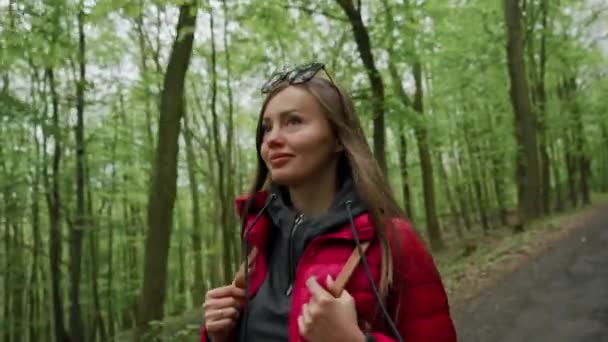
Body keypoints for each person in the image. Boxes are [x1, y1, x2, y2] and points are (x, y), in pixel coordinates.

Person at [200, 62, 457, 342]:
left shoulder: (393, 240)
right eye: (266, 128)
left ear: (337, 139)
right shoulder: (260, 243)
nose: (272, 139)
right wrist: (218, 336)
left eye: (293, 121)